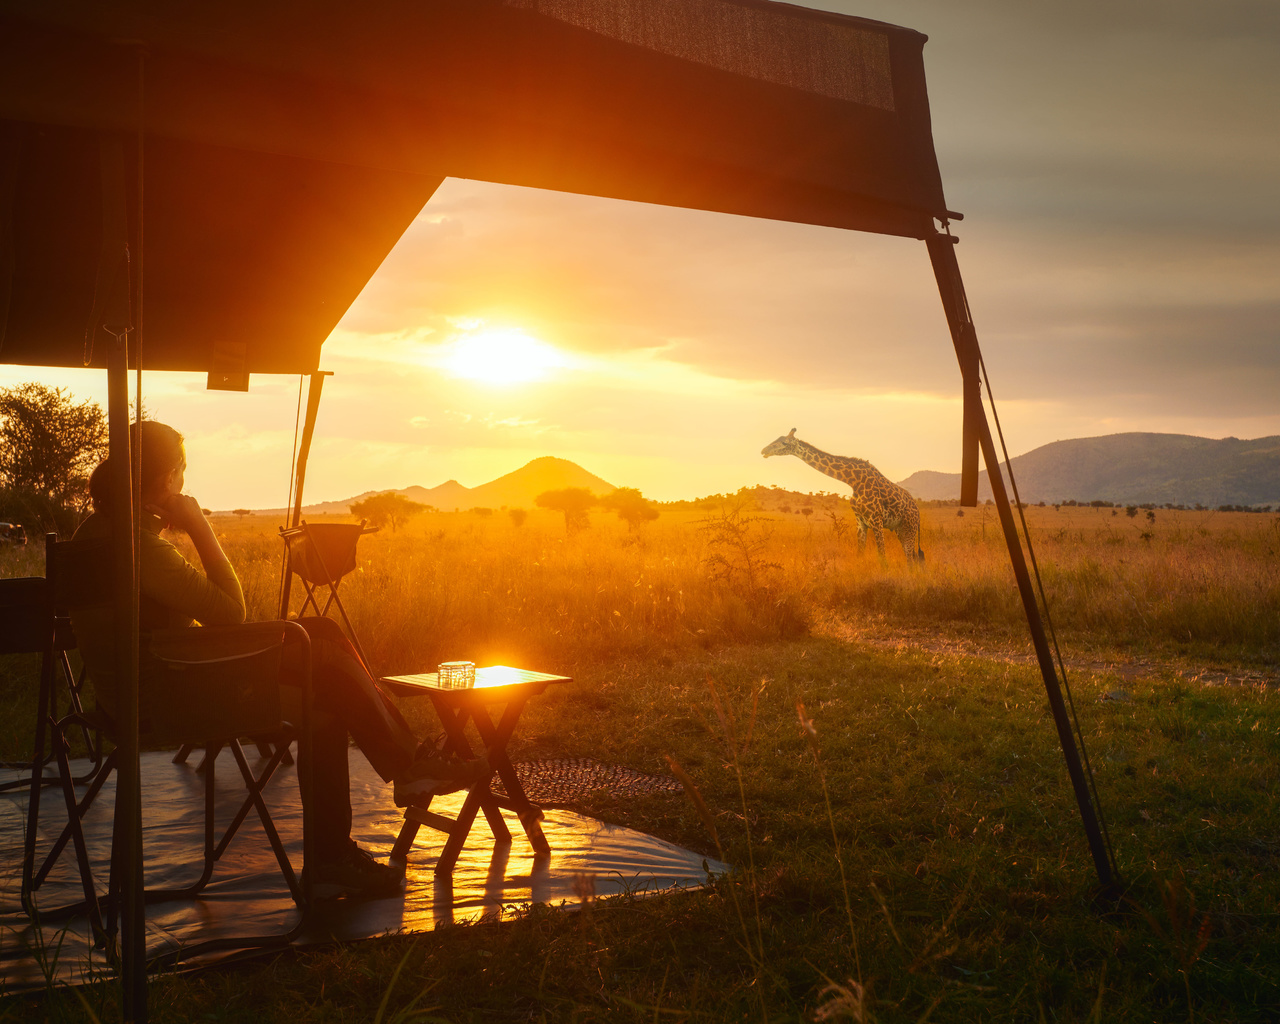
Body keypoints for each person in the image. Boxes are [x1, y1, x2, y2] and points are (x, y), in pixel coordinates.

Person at [72, 419, 484, 898]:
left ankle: (367, 818)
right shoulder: (139, 545)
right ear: (166, 481)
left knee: (322, 692)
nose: (185, 484)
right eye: (182, 472)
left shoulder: (95, 532)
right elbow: (230, 613)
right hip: (166, 699)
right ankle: (402, 776)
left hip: (135, 691)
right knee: (321, 645)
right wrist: (200, 524)